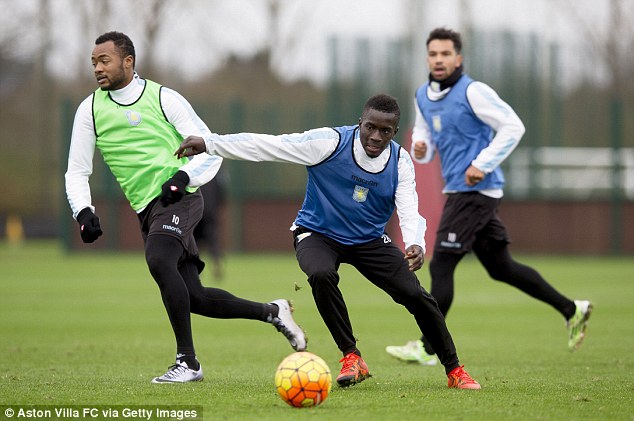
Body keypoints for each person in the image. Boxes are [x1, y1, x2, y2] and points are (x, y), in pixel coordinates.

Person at [175, 94, 481, 390]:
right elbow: (270, 145)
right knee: (321, 274)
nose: (375, 136)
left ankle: (455, 370)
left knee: (416, 296)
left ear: (394, 132)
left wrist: (415, 243)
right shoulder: (328, 143)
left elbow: (410, 209)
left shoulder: (400, 161)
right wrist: (210, 143)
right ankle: (352, 357)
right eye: (370, 127)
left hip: (369, 240)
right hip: (317, 233)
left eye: (385, 131)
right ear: (359, 122)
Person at [64, 31, 306, 384]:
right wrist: (83, 211)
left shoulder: (164, 98)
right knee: (196, 297)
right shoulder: (89, 110)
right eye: (94, 63)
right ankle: (273, 311)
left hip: (181, 197)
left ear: (128, 61)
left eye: (105, 61)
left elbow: (209, 147)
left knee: (158, 259)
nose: (98, 68)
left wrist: (180, 178)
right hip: (147, 209)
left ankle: (188, 363)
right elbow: (77, 170)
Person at [384, 27, 593, 366]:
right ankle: (572, 309)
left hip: (476, 191)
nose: (439, 60)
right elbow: (424, 140)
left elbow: (513, 126)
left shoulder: (473, 92)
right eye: (433, 54)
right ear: (428, 58)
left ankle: (427, 346)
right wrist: (420, 148)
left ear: (458, 58)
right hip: (458, 188)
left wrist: (483, 163)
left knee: (442, 264)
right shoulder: (423, 95)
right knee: (501, 267)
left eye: (445, 54)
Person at [194, 169, 227, 281]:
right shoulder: (216, 172)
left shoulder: (193, 169)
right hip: (210, 211)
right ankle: (217, 265)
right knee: (212, 240)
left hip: (196, 210)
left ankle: (196, 270)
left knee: (195, 242)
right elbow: (222, 192)